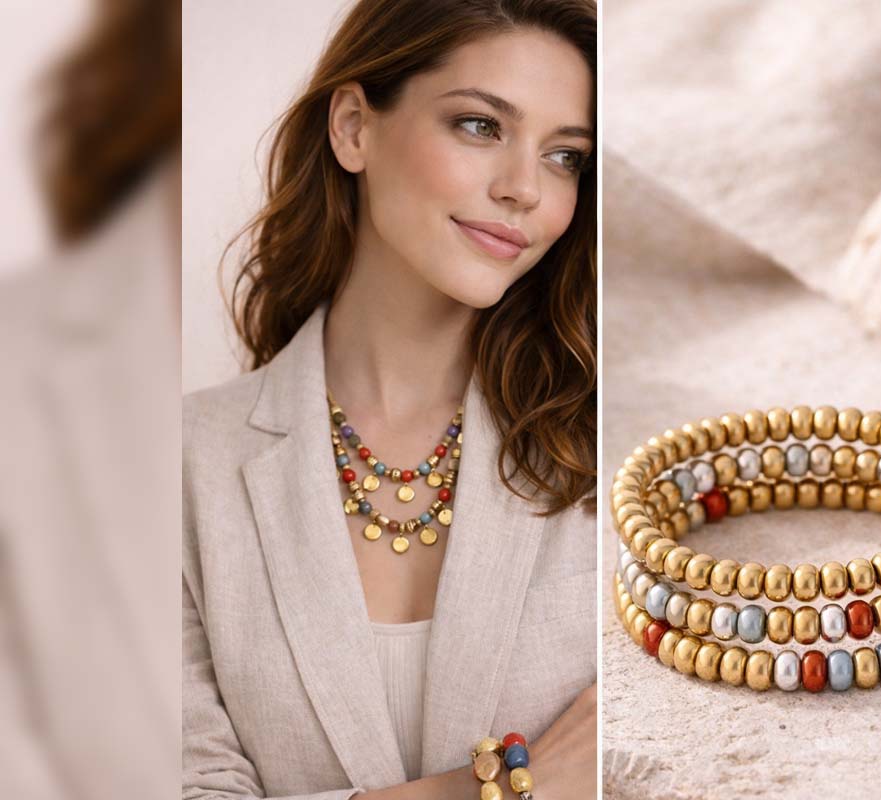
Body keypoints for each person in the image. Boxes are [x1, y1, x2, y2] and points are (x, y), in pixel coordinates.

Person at [183, 2, 598, 798]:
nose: (523, 189)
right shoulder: (179, 464)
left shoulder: (606, 446)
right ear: (353, 128)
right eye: (480, 125)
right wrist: (517, 786)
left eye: (564, 157)